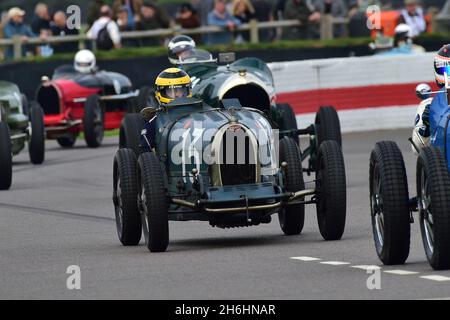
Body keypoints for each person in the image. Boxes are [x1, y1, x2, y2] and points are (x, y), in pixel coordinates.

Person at [140, 68, 193, 152]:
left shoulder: (200, 115)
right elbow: (145, 154)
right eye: (171, 91)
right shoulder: (155, 122)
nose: (177, 95)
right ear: (160, 93)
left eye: (180, 90)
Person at [412, 44, 450, 153]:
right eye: (448, 70)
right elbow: (417, 149)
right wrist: (425, 126)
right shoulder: (429, 104)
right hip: (440, 164)